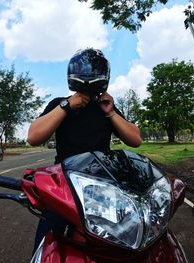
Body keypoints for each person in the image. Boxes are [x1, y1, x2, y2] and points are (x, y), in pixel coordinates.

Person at [27, 48, 142, 252]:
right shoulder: (59, 104)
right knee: (46, 239)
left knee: (119, 241)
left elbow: (135, 140)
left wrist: (110, 112)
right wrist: (67, 105)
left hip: (103, 184)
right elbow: (33, 137)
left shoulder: (106, 107)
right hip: (64, 184)